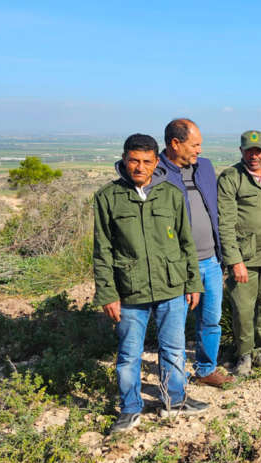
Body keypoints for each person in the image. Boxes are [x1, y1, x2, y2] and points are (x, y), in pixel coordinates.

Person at [94, 134, 208, 433]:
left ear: (156, 161)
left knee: (174, 348)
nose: (139, 167)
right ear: (124, 159)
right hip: (130, 291)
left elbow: (186, 242)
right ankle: (130, 408)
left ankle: (176, 400)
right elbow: (102, 250)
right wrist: (108, 293)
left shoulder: (171, 194)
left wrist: (192, 283)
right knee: (129, 353)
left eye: (146, 161)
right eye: (134, 160)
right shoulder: (108, 197)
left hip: (171, 287)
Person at [157, 118, 234, 387]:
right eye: (195, 144)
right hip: (176, 266)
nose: (199, 150)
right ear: (175, 144)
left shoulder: (205, 168)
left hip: (210, 260)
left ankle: (205, 370)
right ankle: (173, 385)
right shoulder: (156, 174)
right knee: (174, 328)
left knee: (211, 320)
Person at [217, 131, 261, 376]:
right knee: (243, 309)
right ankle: (244, 354)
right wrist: (234, 260)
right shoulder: (231, 178)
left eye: (258, 151)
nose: (254, 155)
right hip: (244, 257)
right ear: (241, 151)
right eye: (249, 150)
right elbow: (225, 224)